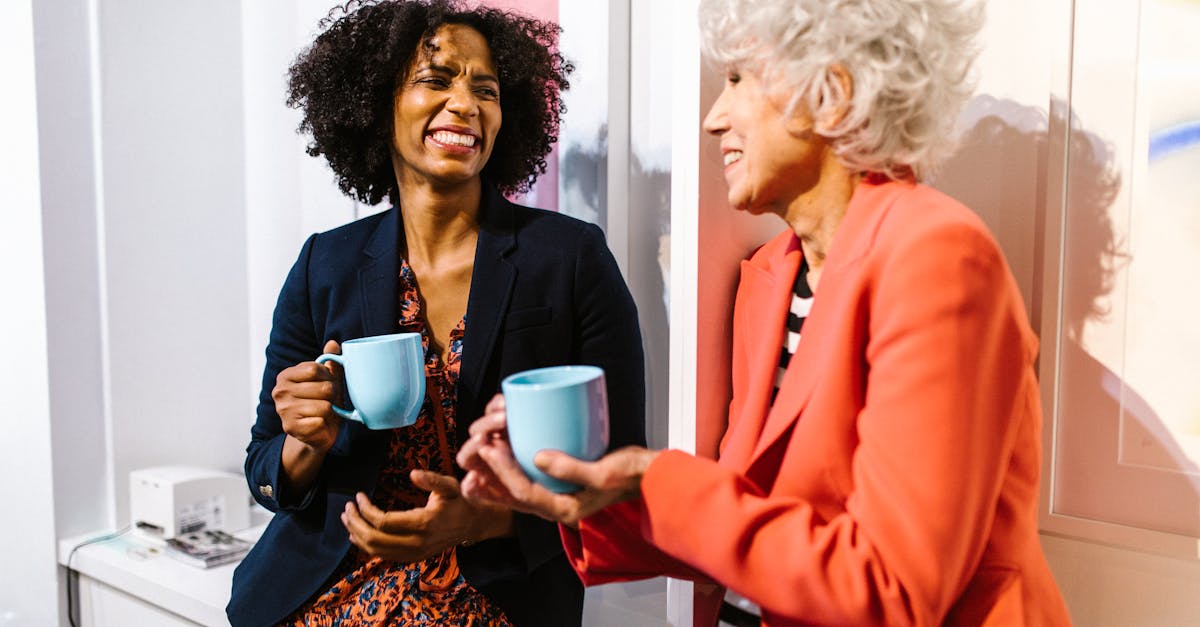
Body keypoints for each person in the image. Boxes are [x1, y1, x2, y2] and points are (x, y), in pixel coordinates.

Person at [457, 0, 1073, 624]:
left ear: (831, 92)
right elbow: (750, 524)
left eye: (736, 79)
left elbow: (891, 590)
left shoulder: (939, 256)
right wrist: (572, 492)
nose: (712, 119)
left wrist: (654, 479)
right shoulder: (772, 275)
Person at [226, 1, 645, 625]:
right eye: (436, 79)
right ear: (376, 101)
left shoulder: (570, 258)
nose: (466, 104)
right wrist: (302, 443)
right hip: (323, 592)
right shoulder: (325, 265)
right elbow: (265, 469)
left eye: (486, 89)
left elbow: (623, 474)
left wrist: (481, 520)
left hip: (493, 594)